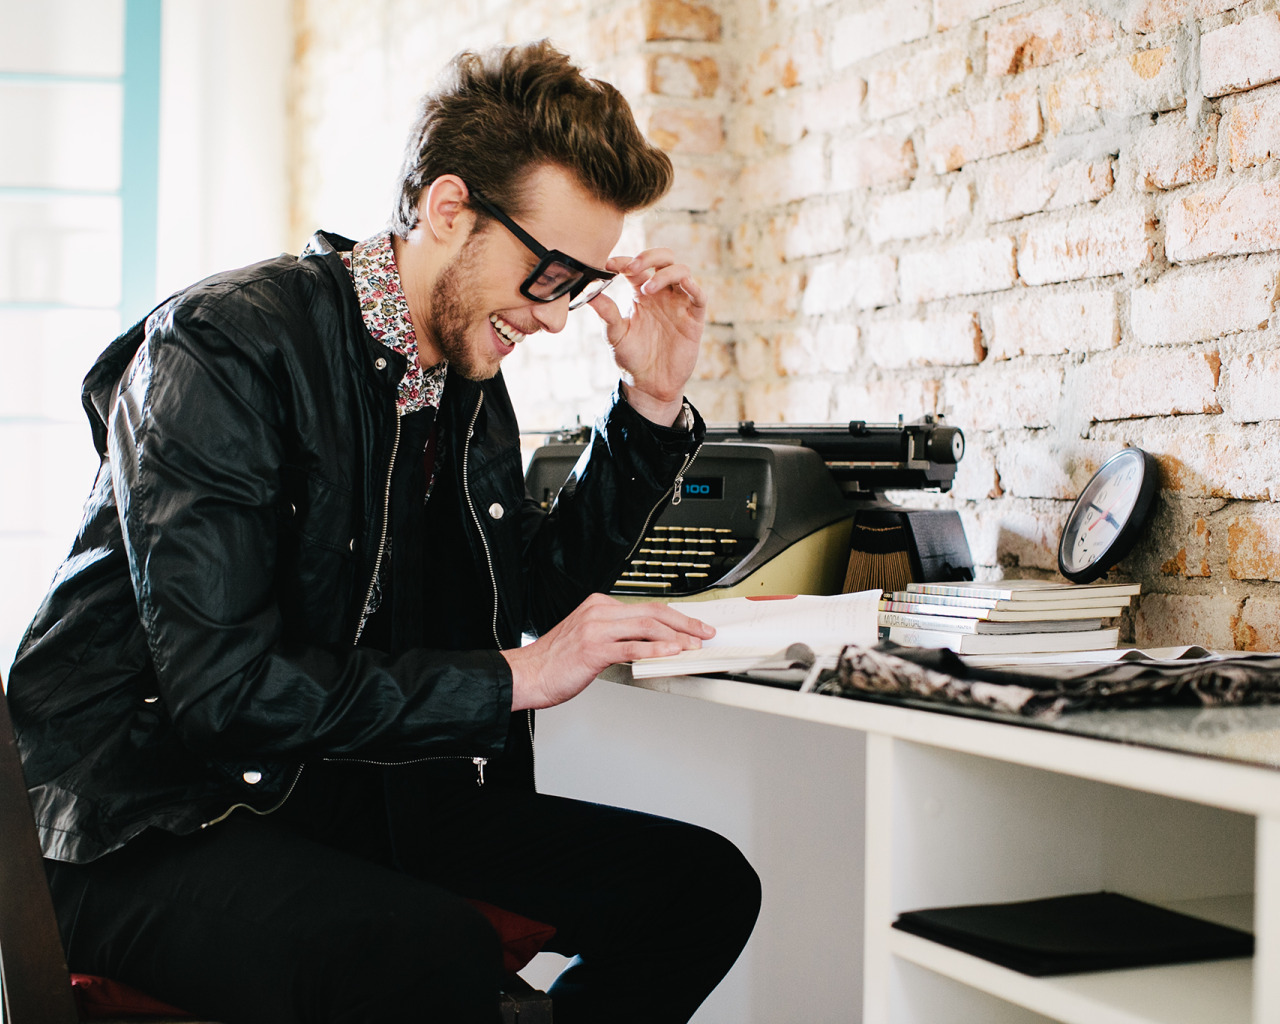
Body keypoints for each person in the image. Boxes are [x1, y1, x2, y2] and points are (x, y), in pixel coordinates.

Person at [7, 40, 760, 1024]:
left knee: (699, 887)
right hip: (136, 817)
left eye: (581, 285)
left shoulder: (462, 376)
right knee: (423, 951)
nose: (558, 316)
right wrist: (511, 677)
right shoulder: (224, 347)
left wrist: (648, 407)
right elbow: (222, 692)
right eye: (550, 273)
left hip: (326, 788)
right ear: (448, 209)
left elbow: (526, 598)